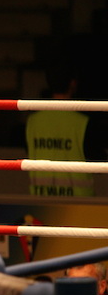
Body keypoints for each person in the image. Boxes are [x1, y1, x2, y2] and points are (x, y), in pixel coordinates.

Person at [25, 61, 108, 197]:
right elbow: (99, 162)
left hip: (40, 203)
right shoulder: (82, 122)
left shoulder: (33, 121)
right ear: (73, 83)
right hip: (79, 205)